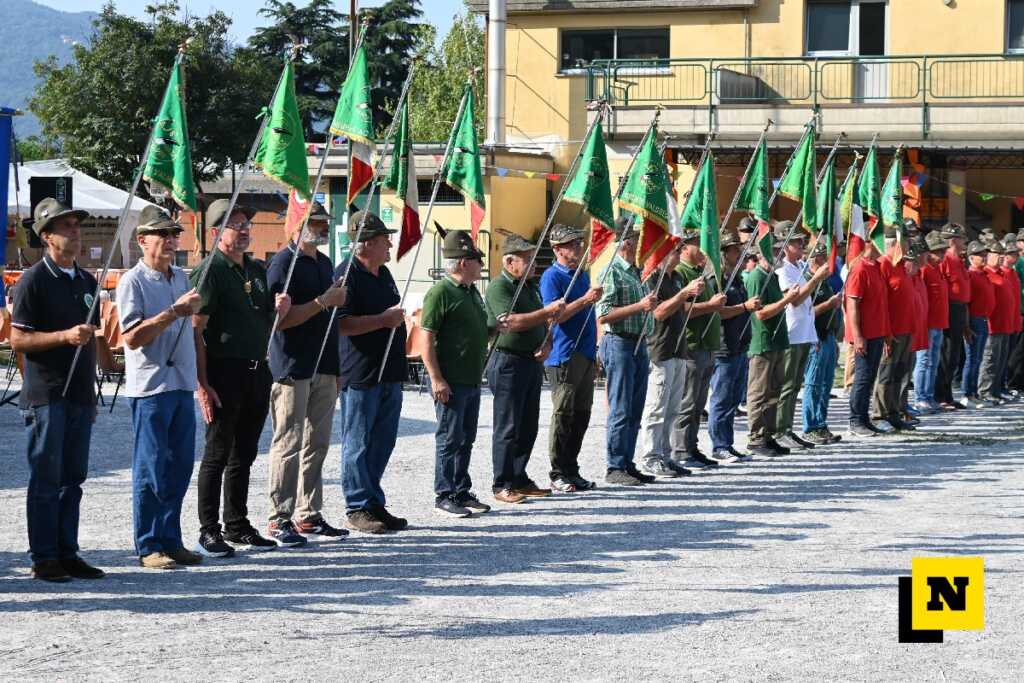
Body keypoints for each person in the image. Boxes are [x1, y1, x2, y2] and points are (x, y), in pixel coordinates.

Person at [10, 198, 104, 582]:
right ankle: (44, 556)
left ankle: (68, 551)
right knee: (46, 478)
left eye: (77, 225)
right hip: (47, 394)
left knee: (73, 478)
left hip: (80, 393)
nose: (75, 232)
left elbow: (94, 339)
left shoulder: (87, 282)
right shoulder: (33, 280)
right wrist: (64, 336)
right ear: (47, 236)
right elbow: (18, 341)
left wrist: (96, 386)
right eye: (66, 227)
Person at [192, 200, 290, 552]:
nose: (245, 229)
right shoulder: (210, 271)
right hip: (224, 370)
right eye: (235, 224)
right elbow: (195, 330)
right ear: (217, 232)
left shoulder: (256, 269)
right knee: (217, 452)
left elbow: (261, 321)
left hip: (256, 370)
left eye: (246, 223)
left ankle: (236, 522)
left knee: (244, 453)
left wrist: (279, 312)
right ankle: (208, 528)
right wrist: (202, 383)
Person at [116, 205, 203, 569]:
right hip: (151, 387)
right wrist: (174, 313)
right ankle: (148, 543)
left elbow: (193, 331)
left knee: (180, 467)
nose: (170, 241)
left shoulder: (180, 278)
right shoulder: (132, 282)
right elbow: (132, 337)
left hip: (181, 384)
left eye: (174, 234)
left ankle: (171, 537)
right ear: (142, 240)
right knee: (151, 468)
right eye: (161, 234)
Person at [264, 201, 350, 543]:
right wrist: (322, 302)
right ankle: (278, 516)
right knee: (288, 442)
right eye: (316, 221)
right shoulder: (282, 264)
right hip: (293, 364)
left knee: (318, 442)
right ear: (298, 223)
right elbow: (279, 320)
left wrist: (337, 366)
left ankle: (308, 513)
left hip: (325, 363)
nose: (324, 228)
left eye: (325, 222)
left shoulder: (325, 262)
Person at [334, 211, 412, 532]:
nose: (390, 243)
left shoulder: (384, 274)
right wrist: (382, 320)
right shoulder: (346, 275)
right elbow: (341, 324)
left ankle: (373, 500)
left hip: (390, 371)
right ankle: (357, 505)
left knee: (384, 440)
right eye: (384, 239)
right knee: (358, 442)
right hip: (361, 372)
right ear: (365, 244)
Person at [421, 229, 497, 516]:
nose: (481, 264)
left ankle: (461, 489)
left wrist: (493, 330)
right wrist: (436, 378)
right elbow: (426, 337)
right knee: (449, 438)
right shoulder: (441, 292)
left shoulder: (470, 291)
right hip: (451, 380)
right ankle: (444, 493)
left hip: (471, 378)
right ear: (463, 262)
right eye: (477, 260)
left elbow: (472, 331)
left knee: (466, 437)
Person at [485, 233, 564, 502]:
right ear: (509, 261)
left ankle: (519, 477)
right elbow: (512, 322)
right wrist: (547, 312)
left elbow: (542, 322)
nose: (534, 264)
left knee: (528, 425)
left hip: (531, 360)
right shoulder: (500, 287)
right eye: (527, 259)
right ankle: (502, 483)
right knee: (507, 426)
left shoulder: (529, 287)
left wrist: (548, 342)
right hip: (508, 360)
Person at [539, 224, 604, 493]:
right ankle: (557, 471)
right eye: (571, 244)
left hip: (586, 352)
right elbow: (555, 315)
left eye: (579, 242)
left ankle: (572, 468)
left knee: (582, 415)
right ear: (557, 249)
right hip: (564, 353)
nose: (578, 247)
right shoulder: (552, 277)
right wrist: (585, 301)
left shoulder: (582, 275)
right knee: (563, 414)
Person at [596, 217, 658, 485]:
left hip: (638, 341)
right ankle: (615, 465)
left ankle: (627, 461)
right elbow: (604, 313)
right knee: (620, 407)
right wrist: (641, 306)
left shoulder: (636, 271)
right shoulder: (612, 271)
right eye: (637, 239)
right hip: (619, 341)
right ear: (626, 243)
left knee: (635, 406)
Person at [639, 235, 704, 477]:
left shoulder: (674, 277)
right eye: (674, 250)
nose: (678, 254)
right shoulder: (652, 279)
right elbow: (658, 313)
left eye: (679, 250)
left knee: (673, 408)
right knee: (657, 407)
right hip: (660, 348)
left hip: (678, 348)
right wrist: (684, 294)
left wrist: (687, 292)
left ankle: (665, 455)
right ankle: (651, 456)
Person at [671, 229, 727, 469]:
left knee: (698, 403)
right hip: (693, 344)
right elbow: (681, 308)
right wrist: (710, 305)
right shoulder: (680, 273)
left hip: (708, 345)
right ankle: (681, 450)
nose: (702, 249)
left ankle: (692, 446)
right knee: (688, 402)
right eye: (696, 244)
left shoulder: (701, 273)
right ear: (684, 248)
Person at [744, 224, 801, 457]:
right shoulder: (758, 277)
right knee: (759, 393)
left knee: (774, 392)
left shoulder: (772, 276)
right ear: (761, 255)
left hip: (777, 341)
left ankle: (768, 435)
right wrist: (787, 300)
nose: (778, 254)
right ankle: (756, 438)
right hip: (763, 342)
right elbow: (761, 312)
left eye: (779, 250)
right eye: (774, 250)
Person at [774, 226, 831, 449]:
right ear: (785, 246)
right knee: (787, 385)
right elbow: (795, 300)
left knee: (796, 384)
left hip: (803, 333)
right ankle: (780, 429)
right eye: (796, 243)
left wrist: (813, 335)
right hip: (792, 333)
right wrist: (815, 279)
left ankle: (788, 428)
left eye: (800, 242)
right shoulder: (783, 271)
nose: (801, 246)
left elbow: (806, 306)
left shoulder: (798, 266)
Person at [707, 230, 760, 459]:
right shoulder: (716, 279)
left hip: (739, 345)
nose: (739, 253)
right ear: (725, 252)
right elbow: (718, 313)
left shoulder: (736, 277)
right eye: (735, 250)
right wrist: (745, 307)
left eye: (739, 249)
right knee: (721, 398)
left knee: (733, 399)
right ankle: (719, 446)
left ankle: (727, 444)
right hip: (724, 346)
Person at [871, 233, 917, 432]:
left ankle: (894, 412)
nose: (909, 246)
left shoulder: (901, 266)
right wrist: (886, 332)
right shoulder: (883, 265)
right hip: (890, 331)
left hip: (905, 329)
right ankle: (879, 414)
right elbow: (881, 303)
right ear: (895, 244)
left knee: (899, 373)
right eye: (906, 242)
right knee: (886, 374)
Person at [845, 237, 891, 437]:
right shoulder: (860, 269)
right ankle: (855, 421)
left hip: (877, 332)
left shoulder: (877, 267)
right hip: (865, 333)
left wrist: (886, 332)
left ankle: (864, 419)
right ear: (870, 243)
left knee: (870, 376)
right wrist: (858, 336)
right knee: (862, 379)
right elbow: (852, 304)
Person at [800, 239, 843, 445]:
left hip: (827, 336)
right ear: (813, 260)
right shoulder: (809, 281)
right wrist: (829, 304)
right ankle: (809, 426)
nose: (827, 261)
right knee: (813, 383)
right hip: (814, 338)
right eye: (822, 258)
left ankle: (821, 423)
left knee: (826, 384)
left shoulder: (824, 281)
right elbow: (807, 313)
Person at [935, 223, 971, 410]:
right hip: (949, 309)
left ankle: (948, 395)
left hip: (959, 309)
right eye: (962, 238)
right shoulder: (946, 260)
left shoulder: (959, 260)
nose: (965, 241)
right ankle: (940, 395)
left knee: (955, 355)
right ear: (953, 240)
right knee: (946, 355)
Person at [913, 232, 950, 414]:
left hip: (938, 323)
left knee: (934, 362)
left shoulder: (938, 270)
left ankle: (929, 396)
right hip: (927, 324)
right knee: (924, 361)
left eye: (943, 251)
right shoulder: (925, 270)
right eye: (938, 252)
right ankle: (920, 398)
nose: (942, 255)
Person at [960, 240, 994, 408]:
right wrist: (966, 325)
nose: (984, 256)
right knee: (972, 358)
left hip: (983, 319)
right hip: (974, 320)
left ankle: (973, 393)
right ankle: (967, 394)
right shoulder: (971, 275)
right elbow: (966, 303)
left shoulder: (983, 274)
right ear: (972, 258)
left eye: (984, 254)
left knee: (978, 358)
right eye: (980, 255)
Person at [979, 240, 1013, 405]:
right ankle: (985, 391)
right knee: (990, 360)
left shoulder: (1001, 274)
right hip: (993, 325)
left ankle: (996, 391)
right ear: (989, 255)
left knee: (1000, 360)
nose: (1001, 257)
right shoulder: (986, 273)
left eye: (1002, 254)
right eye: (997, 254)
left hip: (1004, 324)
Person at [999, 237, 1023, 400]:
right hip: (1018, 312)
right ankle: (1012, 383)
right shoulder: (1018, 266)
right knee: (1014, 351)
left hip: (1016, 313)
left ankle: (1013, 383)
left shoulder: (1014, 270)